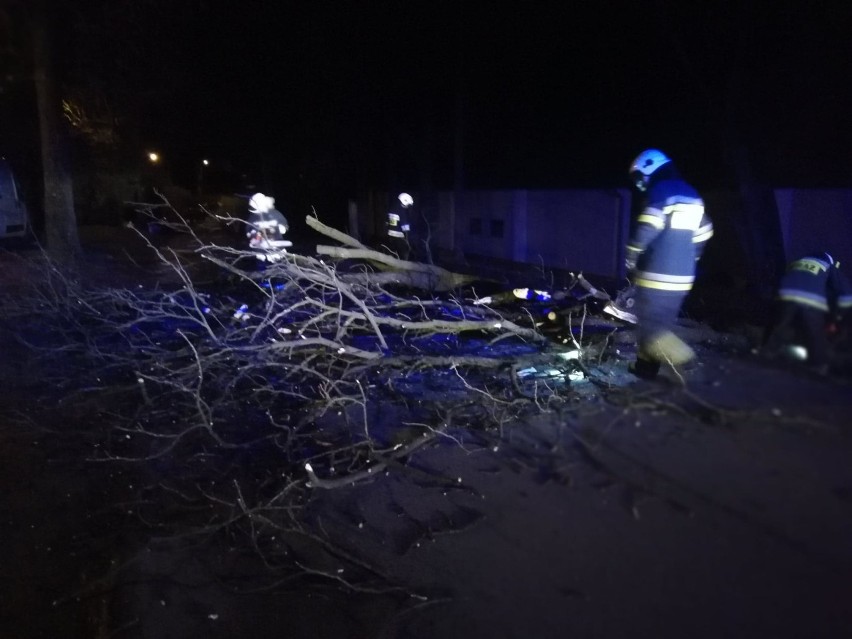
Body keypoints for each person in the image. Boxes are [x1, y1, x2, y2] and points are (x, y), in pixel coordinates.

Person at [611, 149, 714, 379]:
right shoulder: (691, 193)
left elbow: (650, 223)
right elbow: (705, 231)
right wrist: (690, 259)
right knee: (656, 325)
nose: (639, 185)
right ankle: (645, 370)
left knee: (651, 331)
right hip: (682, 278)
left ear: (650, 168)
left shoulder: (662, 190)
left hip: (657, 274)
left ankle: (689, 364)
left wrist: (632, 254)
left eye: (639, 177)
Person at [762, 252, 852, 374]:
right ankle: (819, 366)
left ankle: (766, 354)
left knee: (780, 327)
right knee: (815, 334)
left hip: (785, 296)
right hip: (811, 301)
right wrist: (838, 317)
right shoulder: (828, 265)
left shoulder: (796, 262)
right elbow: (847, 296)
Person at [246, 192, 290, 263]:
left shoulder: (274, 214)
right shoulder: (253, 217)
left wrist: (283, 227)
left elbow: (284, 224)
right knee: (262, 270)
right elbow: (249, 230)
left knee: (280, 267)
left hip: (277, 249)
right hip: (260, 251)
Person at [383, 192, 413, 260]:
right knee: (404, 255)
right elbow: (405, 227)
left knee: (392, 255)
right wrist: (407, 241)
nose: (408, 206)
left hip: (390, 237)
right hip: (400, 238)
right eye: (408, 204)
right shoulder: (401, 211)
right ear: (404, 201)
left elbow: (386, 223)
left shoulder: (392, 209)